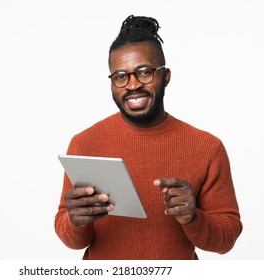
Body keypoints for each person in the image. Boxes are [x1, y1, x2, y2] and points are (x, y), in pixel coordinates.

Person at [54, 15, 242, 260]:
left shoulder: (207, 147)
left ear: (165, 76)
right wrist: (75, 221)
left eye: (144, 72)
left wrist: (193, 217)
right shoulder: (84, 143)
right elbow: (71, 238)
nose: (132, 85)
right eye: (120, 76)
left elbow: (226, 241)